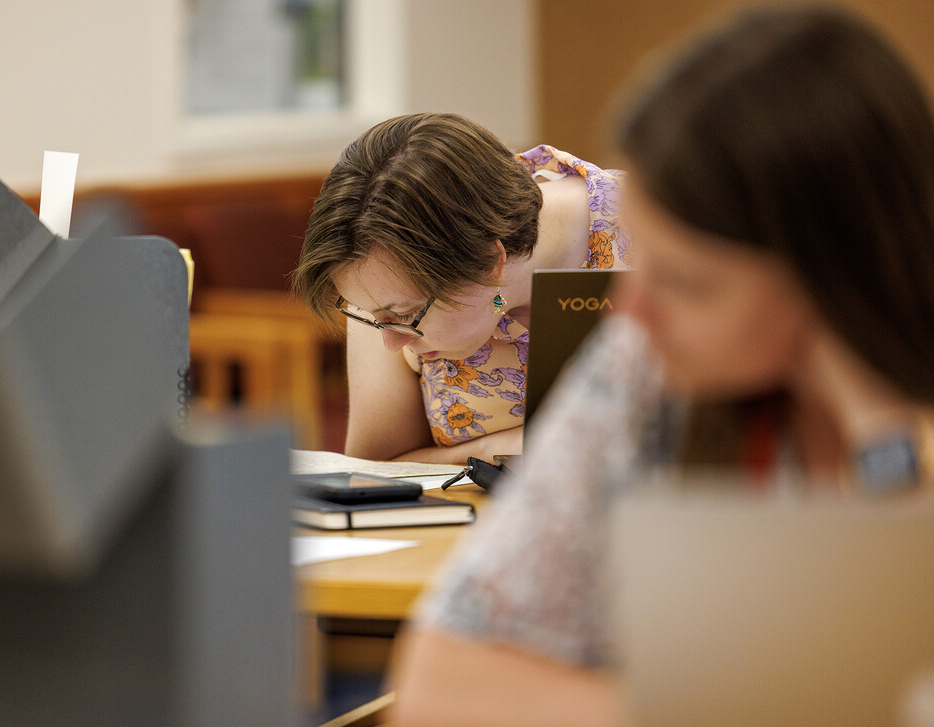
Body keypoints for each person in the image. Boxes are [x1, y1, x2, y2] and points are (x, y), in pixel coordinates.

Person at [390, 6, 934, 726]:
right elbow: (440, 684)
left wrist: (877, 420)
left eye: (686, 281)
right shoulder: (644, 371)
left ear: (830, 278)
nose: (629, 312)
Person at [293, 113, 631, 464]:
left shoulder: (654, 231)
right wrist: (495, 451)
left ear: (489, 264)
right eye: (373, 316)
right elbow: (376, 471)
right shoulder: (381, 274)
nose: (392, 343)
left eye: (406, 315)